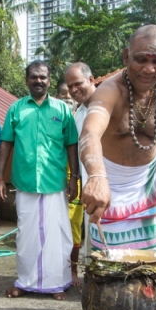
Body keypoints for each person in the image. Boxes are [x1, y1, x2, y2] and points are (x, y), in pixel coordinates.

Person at [80, 25, 156, 252]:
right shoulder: (109, 91)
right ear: (126, 56)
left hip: (150, 182)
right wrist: (97, 177)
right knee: (109, 262)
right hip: (111, 184)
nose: (149, 69)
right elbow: (90, 133)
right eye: (141, 60)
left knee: (148, 259)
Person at [0, 61, 78, 300]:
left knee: (57, 234)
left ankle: (56, 283)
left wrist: (75, 178)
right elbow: (6, 145)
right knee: (27, 235)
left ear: (49, 80)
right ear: (26, 80)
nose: (38, 81)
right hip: (25, 183)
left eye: (43, 77)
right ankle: (26, 282)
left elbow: (71, 145)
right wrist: (0, 178)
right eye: (34, 77)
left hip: (55, 182)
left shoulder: (62, 110)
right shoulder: (16, 109)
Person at [64, 62, 98, 284]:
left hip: (111, 181)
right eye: (70, 86)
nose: (74, 90)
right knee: (92, 230)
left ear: (92, 80)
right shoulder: (78, 114)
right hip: (87, 182)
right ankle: (96, 279)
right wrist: (75, 179)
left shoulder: (106, 105)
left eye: (78, 84)